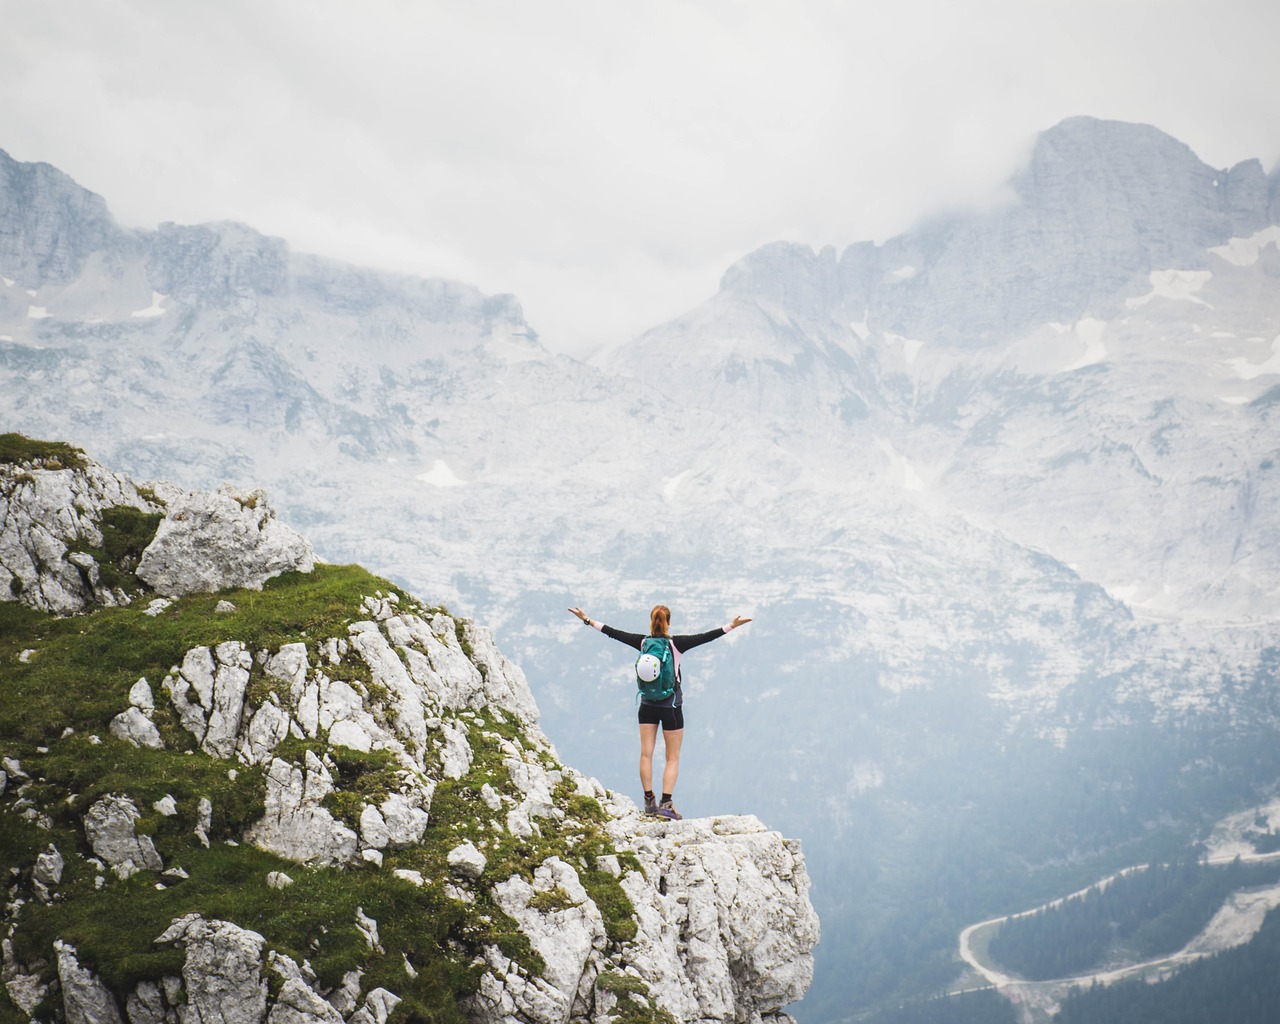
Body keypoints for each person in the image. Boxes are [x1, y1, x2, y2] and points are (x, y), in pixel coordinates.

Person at [567, 603, 752, 820]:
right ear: (668, 622)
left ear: (651, 621)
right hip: (671, 706)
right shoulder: (677, 644)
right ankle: (666, 804)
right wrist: (731, 625)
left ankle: (648, 801)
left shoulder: (643, 642)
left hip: (647, 706)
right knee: (672, 757)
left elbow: (613, 633)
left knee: (646, 753)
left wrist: (587, 620)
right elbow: (706, 637)